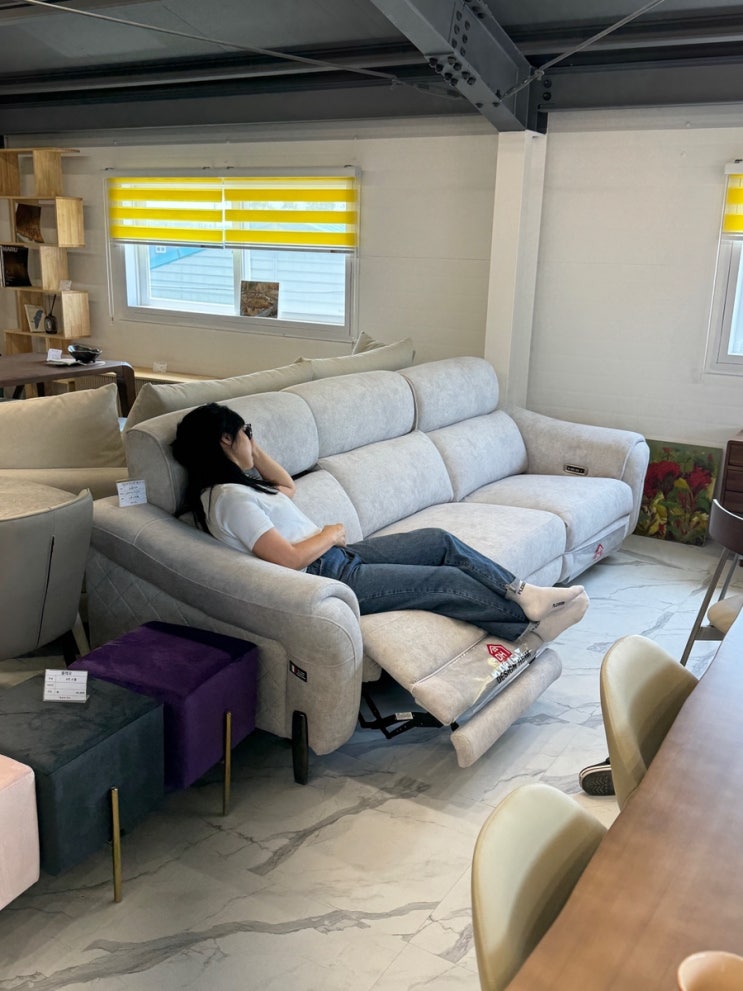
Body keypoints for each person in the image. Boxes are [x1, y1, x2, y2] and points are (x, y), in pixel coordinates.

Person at [172, 403, 589, 652]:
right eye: (246, 432)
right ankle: (529, 627)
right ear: (224, 440)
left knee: (438, 541)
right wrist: (330, 534)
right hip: (325, 575)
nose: (251, 439)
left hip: (336, 559)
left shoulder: (237, 489)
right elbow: (288, 559)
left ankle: (524, 593)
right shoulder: (230, 499)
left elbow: (286, 487)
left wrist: (250, 446)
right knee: (443, 582)